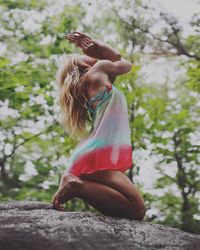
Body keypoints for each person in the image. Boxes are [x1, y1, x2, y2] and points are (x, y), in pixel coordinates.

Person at [52, 31, 146, 220]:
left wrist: (95, 51)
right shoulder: (98, 71)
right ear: (83, 64)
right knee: (137, 210)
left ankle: (76, 184)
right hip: (97, 154)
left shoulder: (92, 82)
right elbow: (125, 63)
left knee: (134, 211)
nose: (91, 55)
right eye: (86, 55)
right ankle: (75, 185)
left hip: (92, 153)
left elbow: (116, 59)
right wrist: (97, 45)